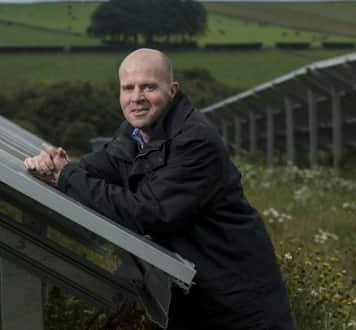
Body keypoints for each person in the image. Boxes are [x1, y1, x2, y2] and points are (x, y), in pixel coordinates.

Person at [24, 48, 296, 330]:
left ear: (172, 90)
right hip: (195, 290)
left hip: (238, 299)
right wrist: (55, 166)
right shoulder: (132, 135)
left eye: (149, 87)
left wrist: (66, 176)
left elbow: (149, 212)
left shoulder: (195, 140)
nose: (136, 97)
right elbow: (90, 170)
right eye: (128, 88)